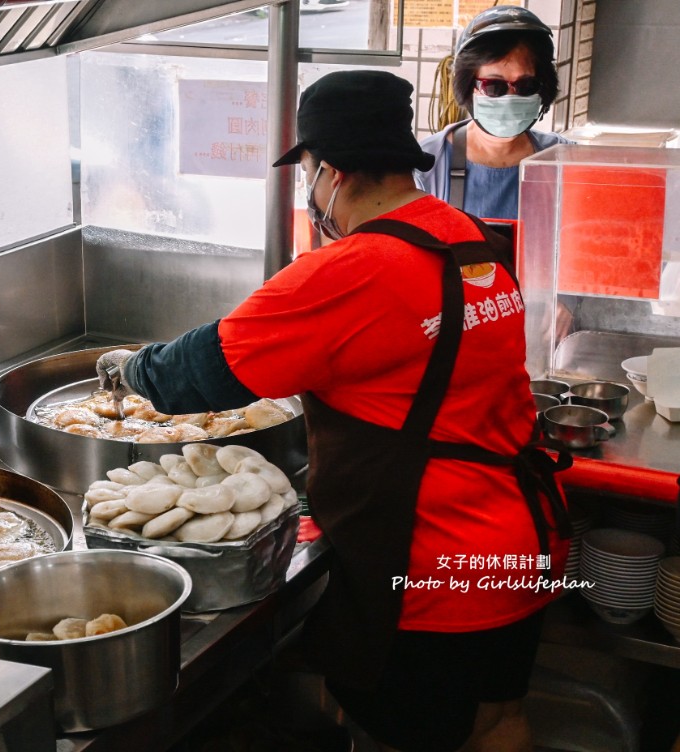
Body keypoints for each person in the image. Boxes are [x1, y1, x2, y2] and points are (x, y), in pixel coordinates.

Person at [96, 70, 570, 752]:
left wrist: (124, 367)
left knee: (411, 737)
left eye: (309, 173)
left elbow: (195, 375)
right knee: (496, 722)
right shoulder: (463, 236)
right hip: (521, 539)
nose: (310, 190)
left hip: (434, 566)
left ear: (332, 173)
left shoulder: (354, 269)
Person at [415, 6, 570, 220]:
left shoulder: (563, 159)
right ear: (467, 86)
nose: (510, 97)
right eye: (494, 86)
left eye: (526, 85)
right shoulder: (427, 164)